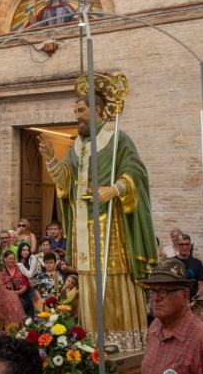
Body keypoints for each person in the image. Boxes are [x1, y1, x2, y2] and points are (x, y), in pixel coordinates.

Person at [39, 81, 158, 351]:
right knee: (90, 281)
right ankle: (94, 341)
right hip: (83, 223)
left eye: (81, 110)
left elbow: (137, 174)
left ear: (98, 110)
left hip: (111, 223)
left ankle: (124, 341)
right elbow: (66, 182)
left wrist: (113, 189)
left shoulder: (117, 138)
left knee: (113, 279)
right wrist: (51, 160)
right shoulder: (78, 145)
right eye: (76, 110)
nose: (77, 115)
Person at [174, 233, 203, 301]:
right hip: (175, 301)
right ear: (177, 246)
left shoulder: (198, 263)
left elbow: (201, 284)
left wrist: (196, 298)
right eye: (182, 244)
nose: (185, 247)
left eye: (187, 244)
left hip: (192, 301)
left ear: (190, 246)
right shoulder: (171, 262)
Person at [1, 250, 31, 317]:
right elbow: (0, 286)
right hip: (7, 301)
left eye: (13, 258)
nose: (12, 260)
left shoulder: (19, 268)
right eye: (10, 258)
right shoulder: (1, 271)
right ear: (4, 259)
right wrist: (11, 294)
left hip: (21, 299)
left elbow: (26, 283)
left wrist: (19, 292)